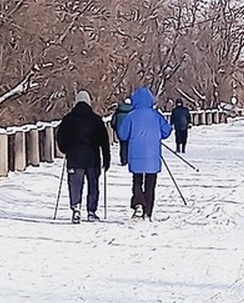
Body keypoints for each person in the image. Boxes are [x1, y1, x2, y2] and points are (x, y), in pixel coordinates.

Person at [55, 90, 110, 224]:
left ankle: (76, 208)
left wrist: (65, 150)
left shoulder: (68, 119)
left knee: (75, 184)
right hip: (92, 159)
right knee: (93, 185)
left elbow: (60, 137)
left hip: (74, 158)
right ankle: (91, 211)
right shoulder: (96, 120)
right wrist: (106, 158)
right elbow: (104, 140)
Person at [117, 86, 171, 220]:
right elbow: (167, 131)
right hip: (153, 155)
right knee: (151, 183)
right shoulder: (156, 115)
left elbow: (122, 134)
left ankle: (138, 203)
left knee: (137, 180)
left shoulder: (131, 116)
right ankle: (148, 211)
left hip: (135, 154)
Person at [111, 97, 133, 166]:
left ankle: (123, 160)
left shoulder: (118, 110)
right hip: (131, 131)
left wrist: (115, 128)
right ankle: (130, 159)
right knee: (130, 145)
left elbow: (113, 122)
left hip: (120, 131)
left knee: (123, 145)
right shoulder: (133, 111)